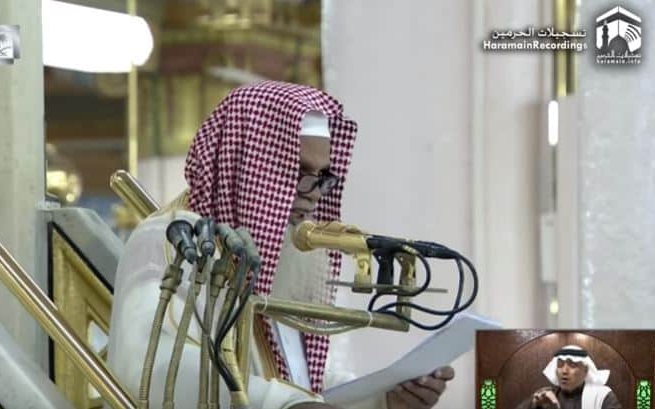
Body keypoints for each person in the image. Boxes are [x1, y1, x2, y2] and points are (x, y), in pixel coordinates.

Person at [107, 81, 454, 409]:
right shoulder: (173, 239)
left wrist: (384, 399)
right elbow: (151, 367)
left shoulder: (279, 252)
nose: (313, 196)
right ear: (246, 164)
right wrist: (284, 402)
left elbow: (295, 381)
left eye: (322, 178)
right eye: (298, 173)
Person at [515, 345, 622, 409]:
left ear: (585, 370)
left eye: (572, 365)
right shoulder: (545, 396)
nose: (564, 371)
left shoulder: (603, 396)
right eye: (560, 365)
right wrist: (534, 405)